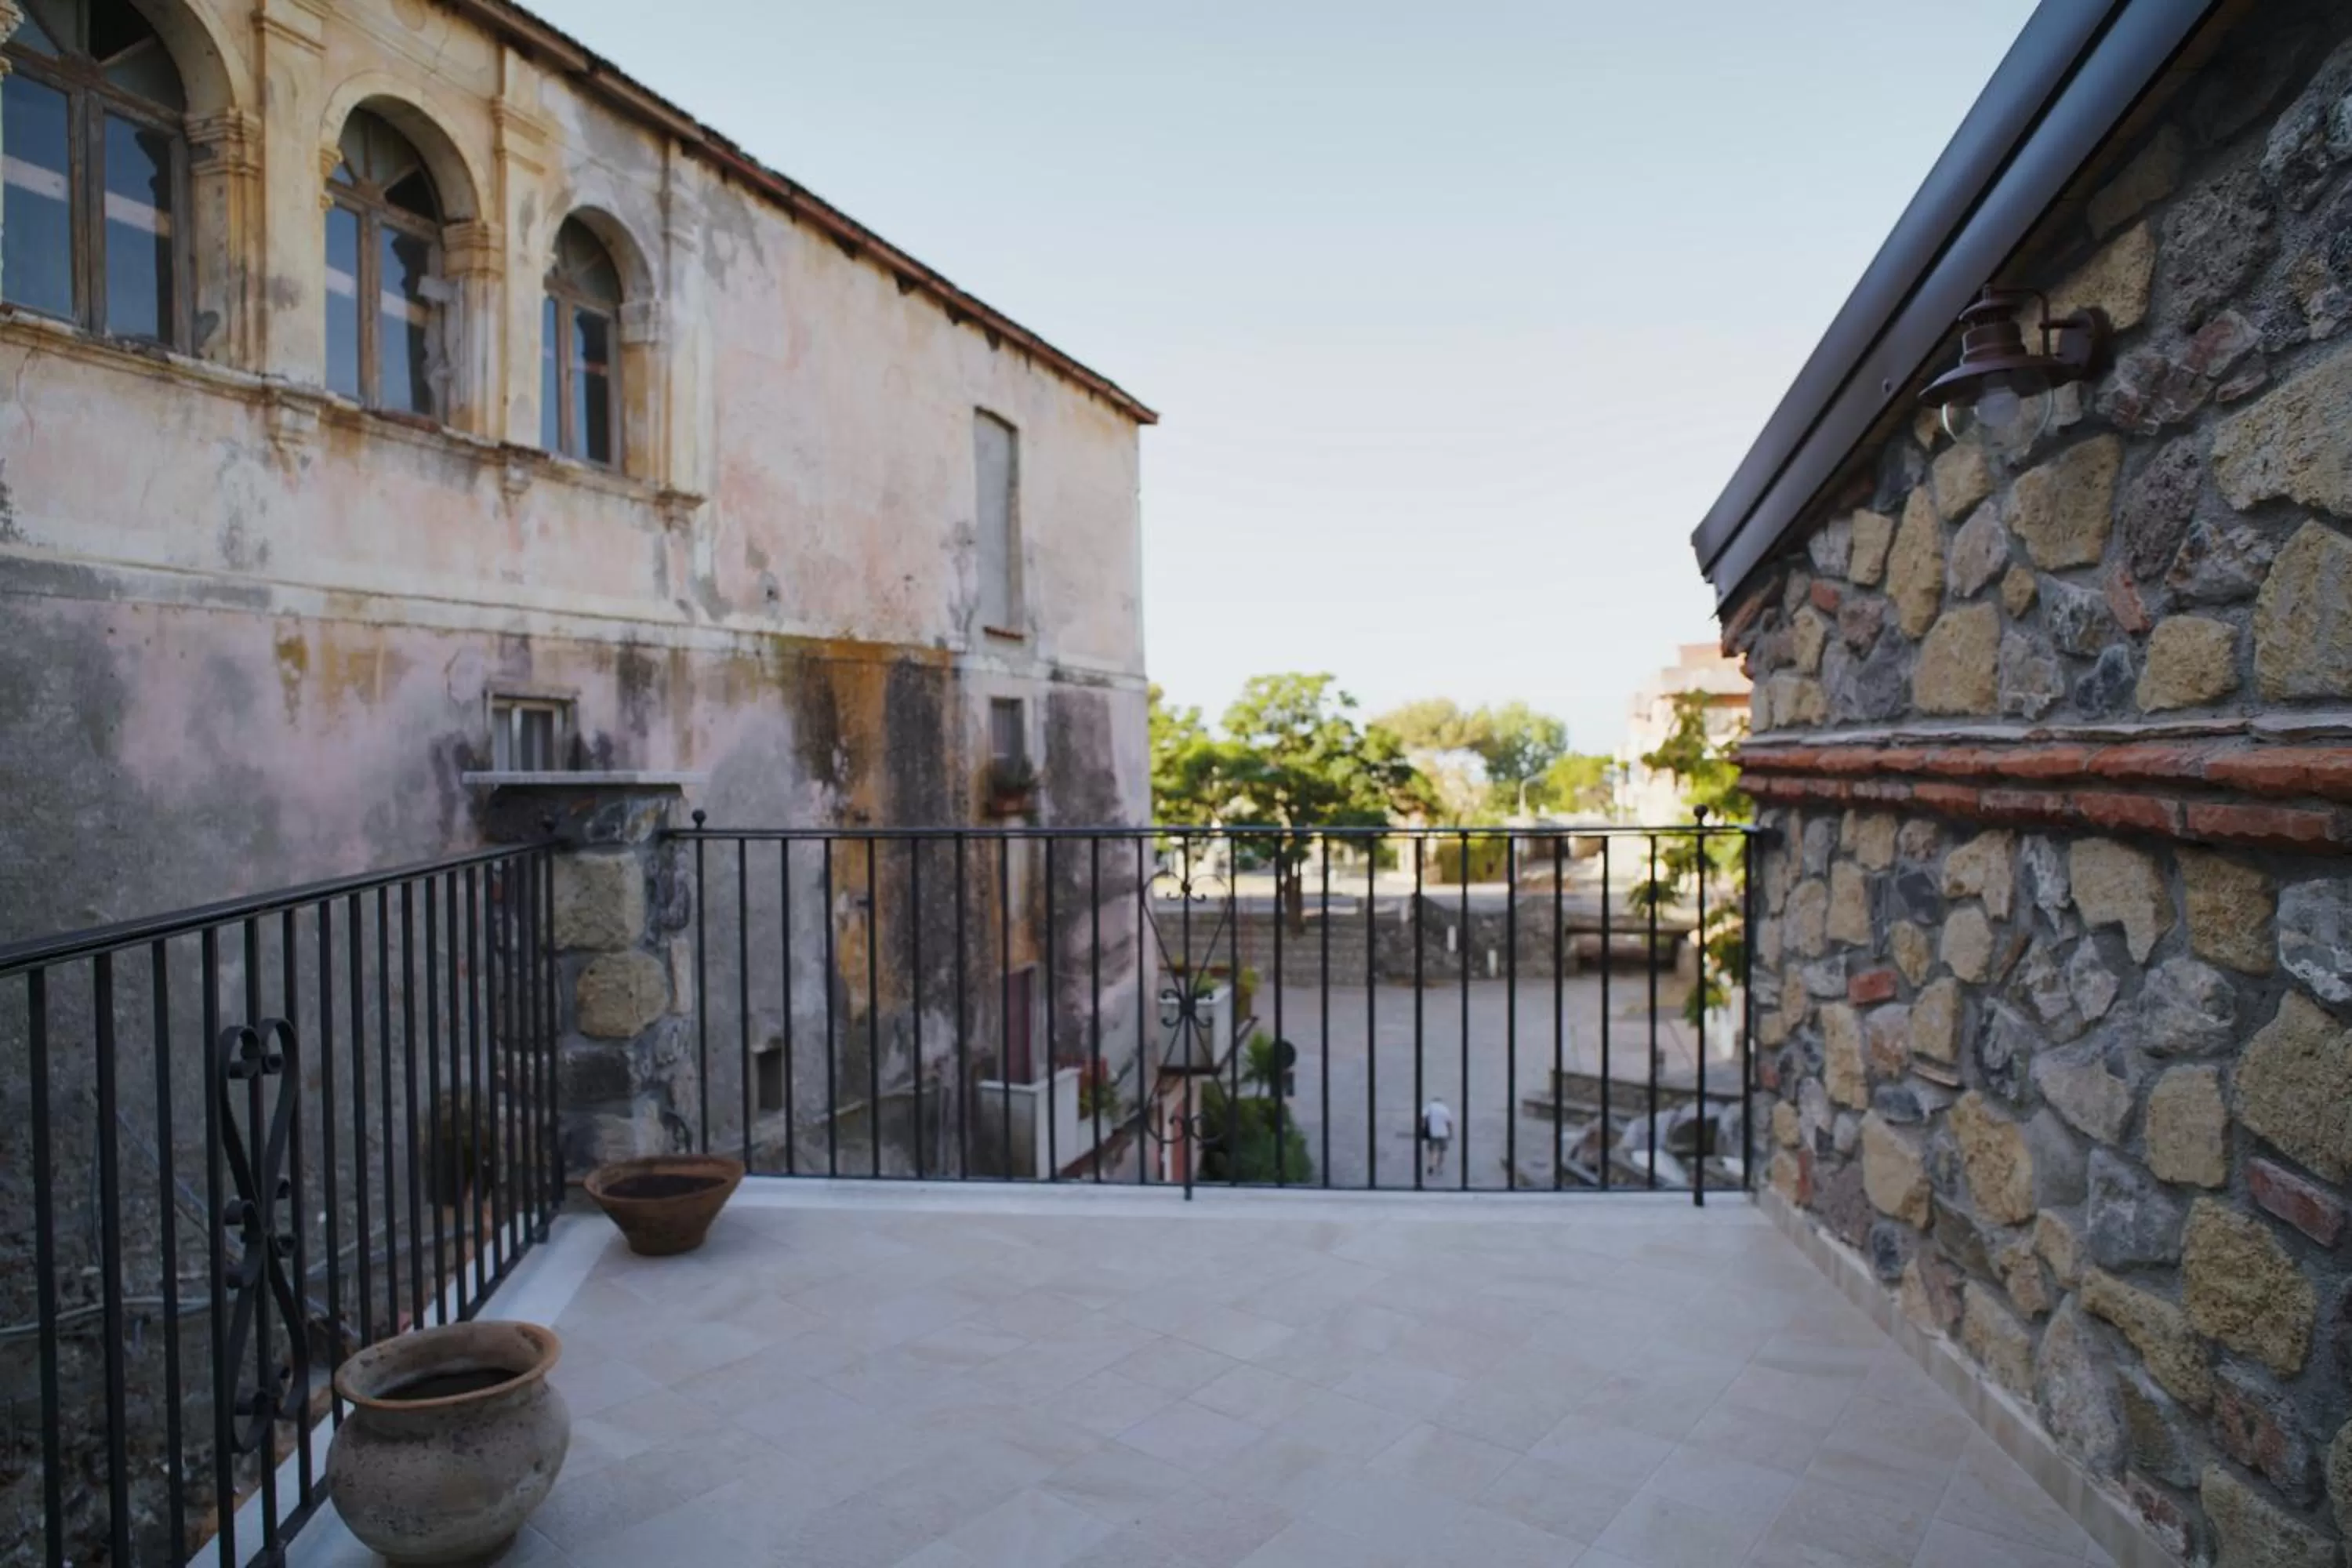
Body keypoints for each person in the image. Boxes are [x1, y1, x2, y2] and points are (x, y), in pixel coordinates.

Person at [1421, 1098, 1452, 1176]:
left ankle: (1431, 1164)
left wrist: (1423, 1127)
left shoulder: (1430, 1107)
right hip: (1443, 1133)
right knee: (1442, 1151)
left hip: (1433, 1133)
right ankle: (1440, 1167)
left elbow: (1423, 1117)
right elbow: (1449, 1122)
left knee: (1432, 1150)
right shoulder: (1445, 1109)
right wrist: (1450, 1133)